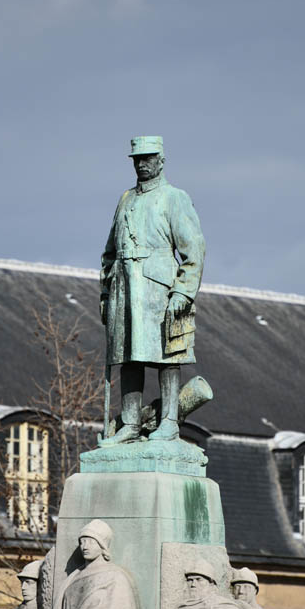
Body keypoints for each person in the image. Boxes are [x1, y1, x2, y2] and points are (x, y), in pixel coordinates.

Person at [100, 136, 205, 442]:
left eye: (148, 157)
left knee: (166, 356)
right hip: (125, 290)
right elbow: (109, 253)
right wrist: (106, 295)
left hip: (160, 289)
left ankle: (170, 421)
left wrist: (183, 291)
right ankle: (130, 424)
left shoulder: (175, 198)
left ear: (161, 160)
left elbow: (194, 251)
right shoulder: (125, 199)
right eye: (137, 158)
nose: (142, 163)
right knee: (129, 356)